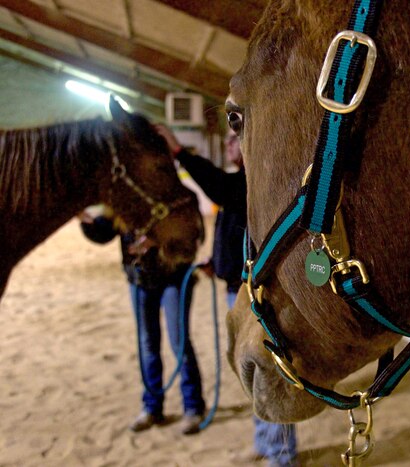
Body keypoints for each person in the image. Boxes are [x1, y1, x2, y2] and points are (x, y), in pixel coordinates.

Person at [156, 125, 299, 467]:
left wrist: (180, 152)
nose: (227, 143)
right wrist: (216, 262)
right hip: (237, 291)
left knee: (270, 373)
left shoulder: (255, 181)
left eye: (233, 138)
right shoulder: (242, 183)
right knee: (253, 373)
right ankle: (266, 443)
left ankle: (282, 455)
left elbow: (222, 190)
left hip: (257, 294)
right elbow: (236, 228)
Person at [79, 205, 206, 436]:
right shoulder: (122, 203)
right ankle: (152, 407)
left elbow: (193, 236)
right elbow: (103, 233)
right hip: (139, 279)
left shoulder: (171, 199)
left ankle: (193, 407)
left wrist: (158, 243)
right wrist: (84, 220)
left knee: (179, 343)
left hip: (173, 277)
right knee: (148, 344)